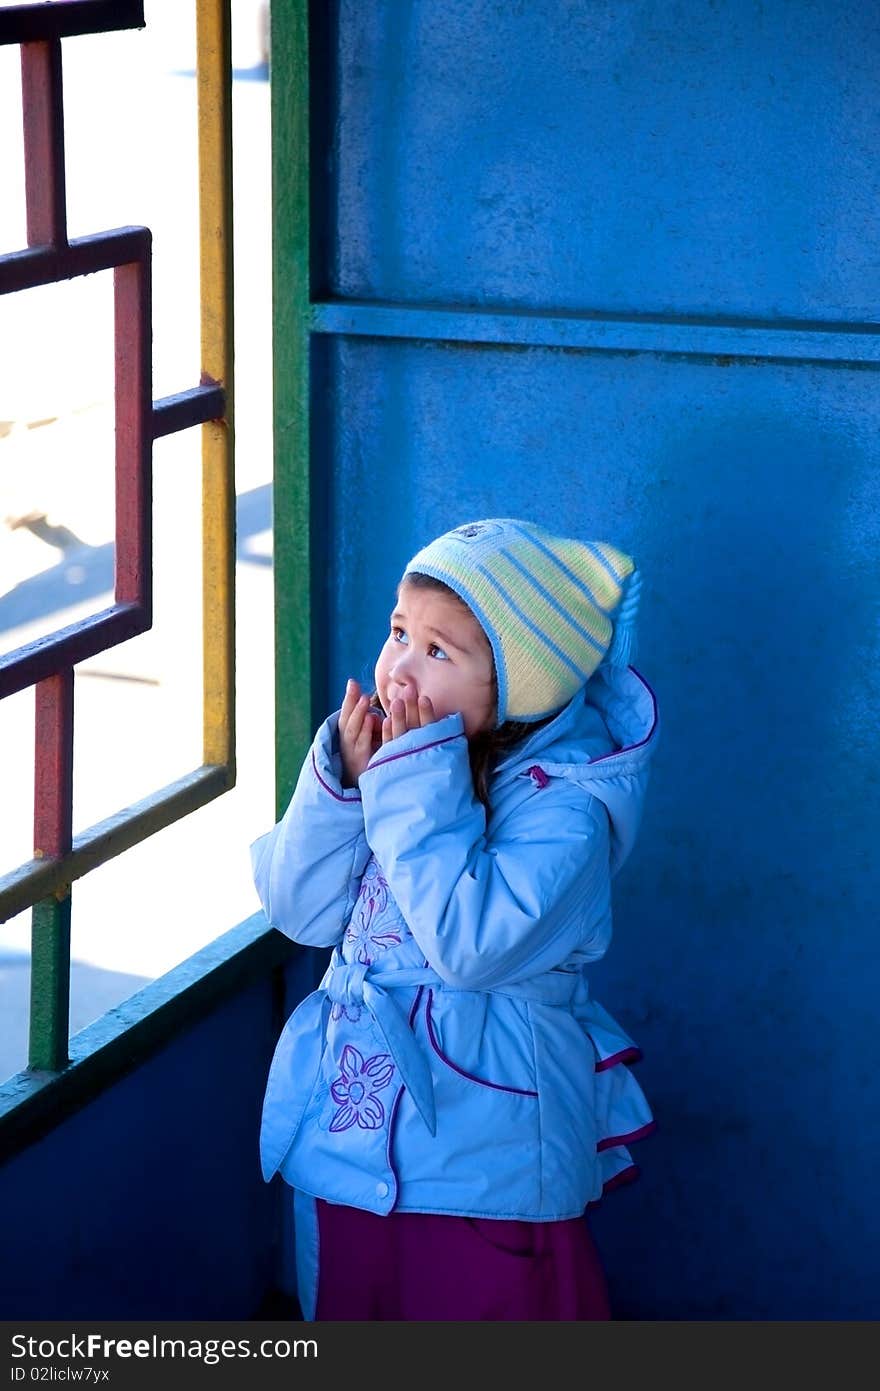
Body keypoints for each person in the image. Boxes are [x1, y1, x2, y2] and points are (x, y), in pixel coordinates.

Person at [251, 517, 659, 1321]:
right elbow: (298, 911)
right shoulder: (400, 761)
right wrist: (341, 782)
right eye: (400, 631)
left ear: (516, 686)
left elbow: (470, 947)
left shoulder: (566, 812)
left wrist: (409, 782)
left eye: (440, 651)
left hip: (487, 1167)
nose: (401, 666)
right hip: (347, 1138)